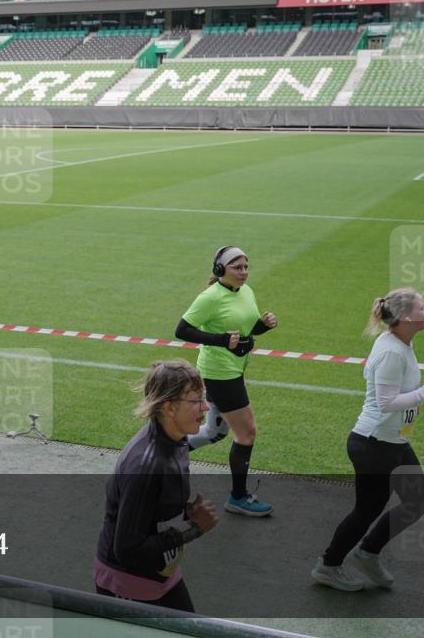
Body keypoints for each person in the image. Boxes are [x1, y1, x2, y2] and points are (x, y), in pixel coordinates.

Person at [312, 288, 424, 591]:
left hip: (392, 442)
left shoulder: (401, 343)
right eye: (423, 307)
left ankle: (367, 552)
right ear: (406, 317)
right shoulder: (391, 352)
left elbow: (396, 399)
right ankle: (328, 566)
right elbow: (385, 402)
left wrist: (418, 398)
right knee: (367, 509)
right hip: (373, 445)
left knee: (417, 500)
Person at [94, 360, 219, 612]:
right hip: (128, 582)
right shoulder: (147, 467)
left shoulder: (177, 439)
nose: (205, 407)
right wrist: (193, 529)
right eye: (195, 400)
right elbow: (127, 550)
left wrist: (183, 510)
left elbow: (154, 508)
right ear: (169, 407)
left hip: (161, 571)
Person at [174, 246, 277, 517]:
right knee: (247, 433)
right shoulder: (210, 297)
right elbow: (182, 329)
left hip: (236, 368)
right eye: (237, 267)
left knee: (215, 432)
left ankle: (163, 454)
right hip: (220, 374)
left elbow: (246, 328)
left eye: (246, 267)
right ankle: (238, 497)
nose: (243, 272)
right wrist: (220, 340)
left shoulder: (247, 292)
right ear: (220, 270)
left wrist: (263, 325)